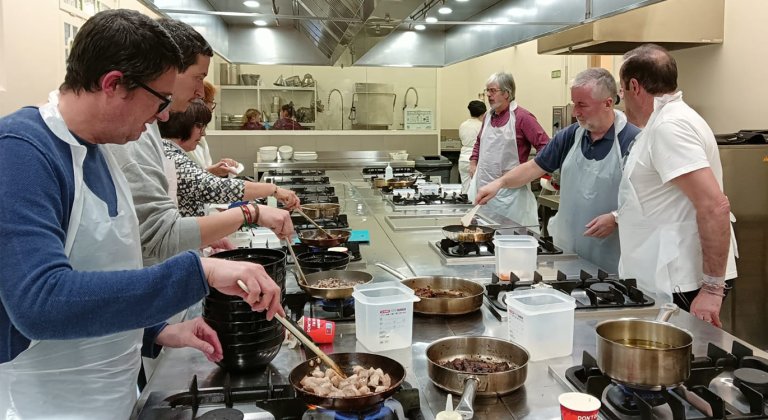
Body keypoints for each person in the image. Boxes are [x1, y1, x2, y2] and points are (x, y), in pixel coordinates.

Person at [0, 10, 284, 418]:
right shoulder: (21, 152)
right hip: (45, 405)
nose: (165, 116)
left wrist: (157, 330)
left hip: (110, 396)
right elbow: (39, 304)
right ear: (113, 84)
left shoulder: (101, 150)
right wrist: (198, 273)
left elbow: (101, 269)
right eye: (160, 100)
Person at [106, 18, 294, 268]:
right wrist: (252, 212)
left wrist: (200, 243)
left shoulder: (145, 129)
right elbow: (160, 234)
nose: (199, 92)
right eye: (198, 78)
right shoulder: (130, 137)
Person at [618, 43, 737, 327]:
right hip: (668, 276)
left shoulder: (669, 127)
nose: (623, 101)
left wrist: (711, 289)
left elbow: (714, 205)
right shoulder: (665, 121)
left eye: (621, 92)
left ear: (634, 86)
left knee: (681, 365)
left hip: (682, 280)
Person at [476, 68, 641, 274]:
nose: (575, 112)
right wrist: (499, 183)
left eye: (582, 105)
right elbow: (533, 167)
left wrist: (616, 218)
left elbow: (648, 198)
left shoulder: (633, 141)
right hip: (569, 249)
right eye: (574, 104)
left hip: (613, 254)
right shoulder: (571, 135)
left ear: (608, 103)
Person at [161, 101, 301, 216]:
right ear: (183, 125)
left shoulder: (172, 152)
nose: (203, 133)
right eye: (199, 126)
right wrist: (273, 190)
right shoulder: (171, 156)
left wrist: (212, 171)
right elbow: (216, 188)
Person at [468, 72, 550, 228]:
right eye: (487, 91)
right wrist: (473, 162)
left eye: (492, 91)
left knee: (509, 238)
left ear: (506, 93)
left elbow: (546, 147)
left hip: (510, 197)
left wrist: (529, 173)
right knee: (485, 236)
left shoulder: (523, 118)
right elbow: (479, 141)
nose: (488, 95)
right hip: (485, 190)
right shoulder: (487, 116)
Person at [189, 81, 242, 177]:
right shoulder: (182, 139)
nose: (211, 109)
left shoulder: (200, 136)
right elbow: (189, 181)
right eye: (211, 102)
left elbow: (203, 173)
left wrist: (219, 170)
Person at [458, 100, 486, 194]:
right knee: (477, 190)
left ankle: (465, 207)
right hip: (476, 160)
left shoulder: (463, 125)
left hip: (463, 159)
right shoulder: (483, 126)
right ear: (483, 113)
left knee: (465, 189)